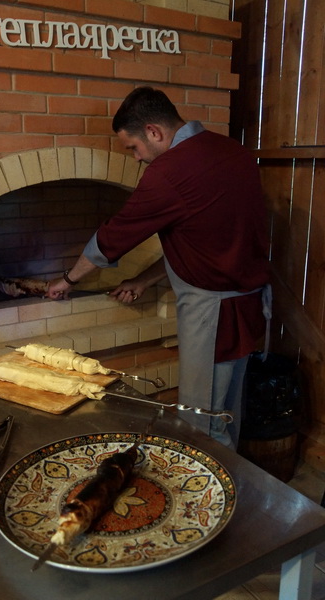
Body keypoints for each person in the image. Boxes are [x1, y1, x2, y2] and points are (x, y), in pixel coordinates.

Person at [47, 86, 270, 450]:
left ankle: (209, 500)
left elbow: (113, 238)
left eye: (133, 148)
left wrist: (68, 279)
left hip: (214, 318)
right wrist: (144, 279)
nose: (135, 159)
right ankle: (233, 487)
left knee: (202, 425)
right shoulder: (233, 151)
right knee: (227, 412)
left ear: (154, 131)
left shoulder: (171, 170)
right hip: (246, 308)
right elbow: (205, 243)